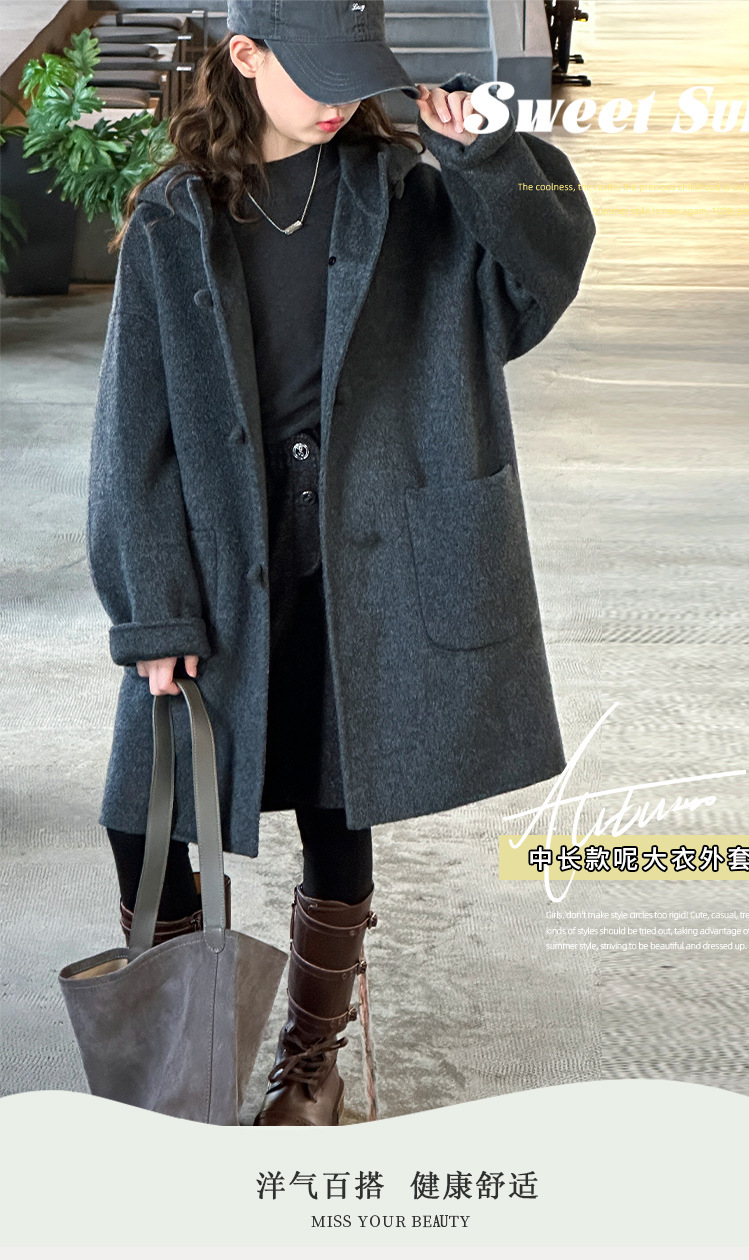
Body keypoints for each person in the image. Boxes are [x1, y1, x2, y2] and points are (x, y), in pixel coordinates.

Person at [88, 0, 596, 1127]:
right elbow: (133, 436)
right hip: (223, 561)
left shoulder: (410, 194)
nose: (338, 101)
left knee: (336, 798)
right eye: (313, 73)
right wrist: (152, 610)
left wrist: (486, 159)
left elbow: (539, 286)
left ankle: (309, 1067)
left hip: (367, 554)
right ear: (245, 56)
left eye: (353, 76)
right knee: (144, 815)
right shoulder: (176, 215)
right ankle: (183, 1072)